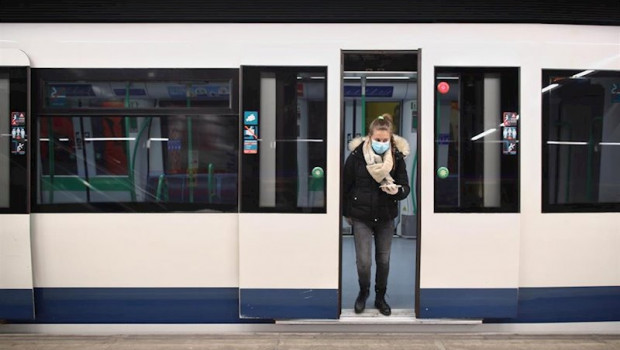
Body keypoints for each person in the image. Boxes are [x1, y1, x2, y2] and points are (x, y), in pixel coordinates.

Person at [343, 114, 410, 316]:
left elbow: (405, 187)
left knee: (384, 260)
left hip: (386, 216)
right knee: (363, 261)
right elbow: (345, 186)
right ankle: (363, 293)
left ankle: (380, 297)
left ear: (390, 139)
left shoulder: (397, 158)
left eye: (385, 140)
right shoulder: (356, 157)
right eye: (377, 140)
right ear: (369, 137)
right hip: (361, 216)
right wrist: (347, 213)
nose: (381, 143)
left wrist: (396, 192)